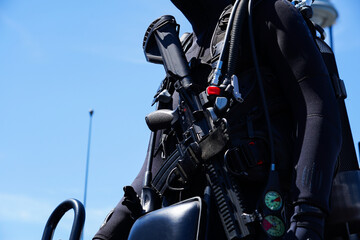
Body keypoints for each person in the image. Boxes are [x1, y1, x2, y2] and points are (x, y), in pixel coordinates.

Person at [93, 0, 342, 239]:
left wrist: (307, 217)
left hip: (269, 222)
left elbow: (318, 112)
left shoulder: (269, 15)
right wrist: (104, 235)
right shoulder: (178, 62)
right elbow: (153, 170)